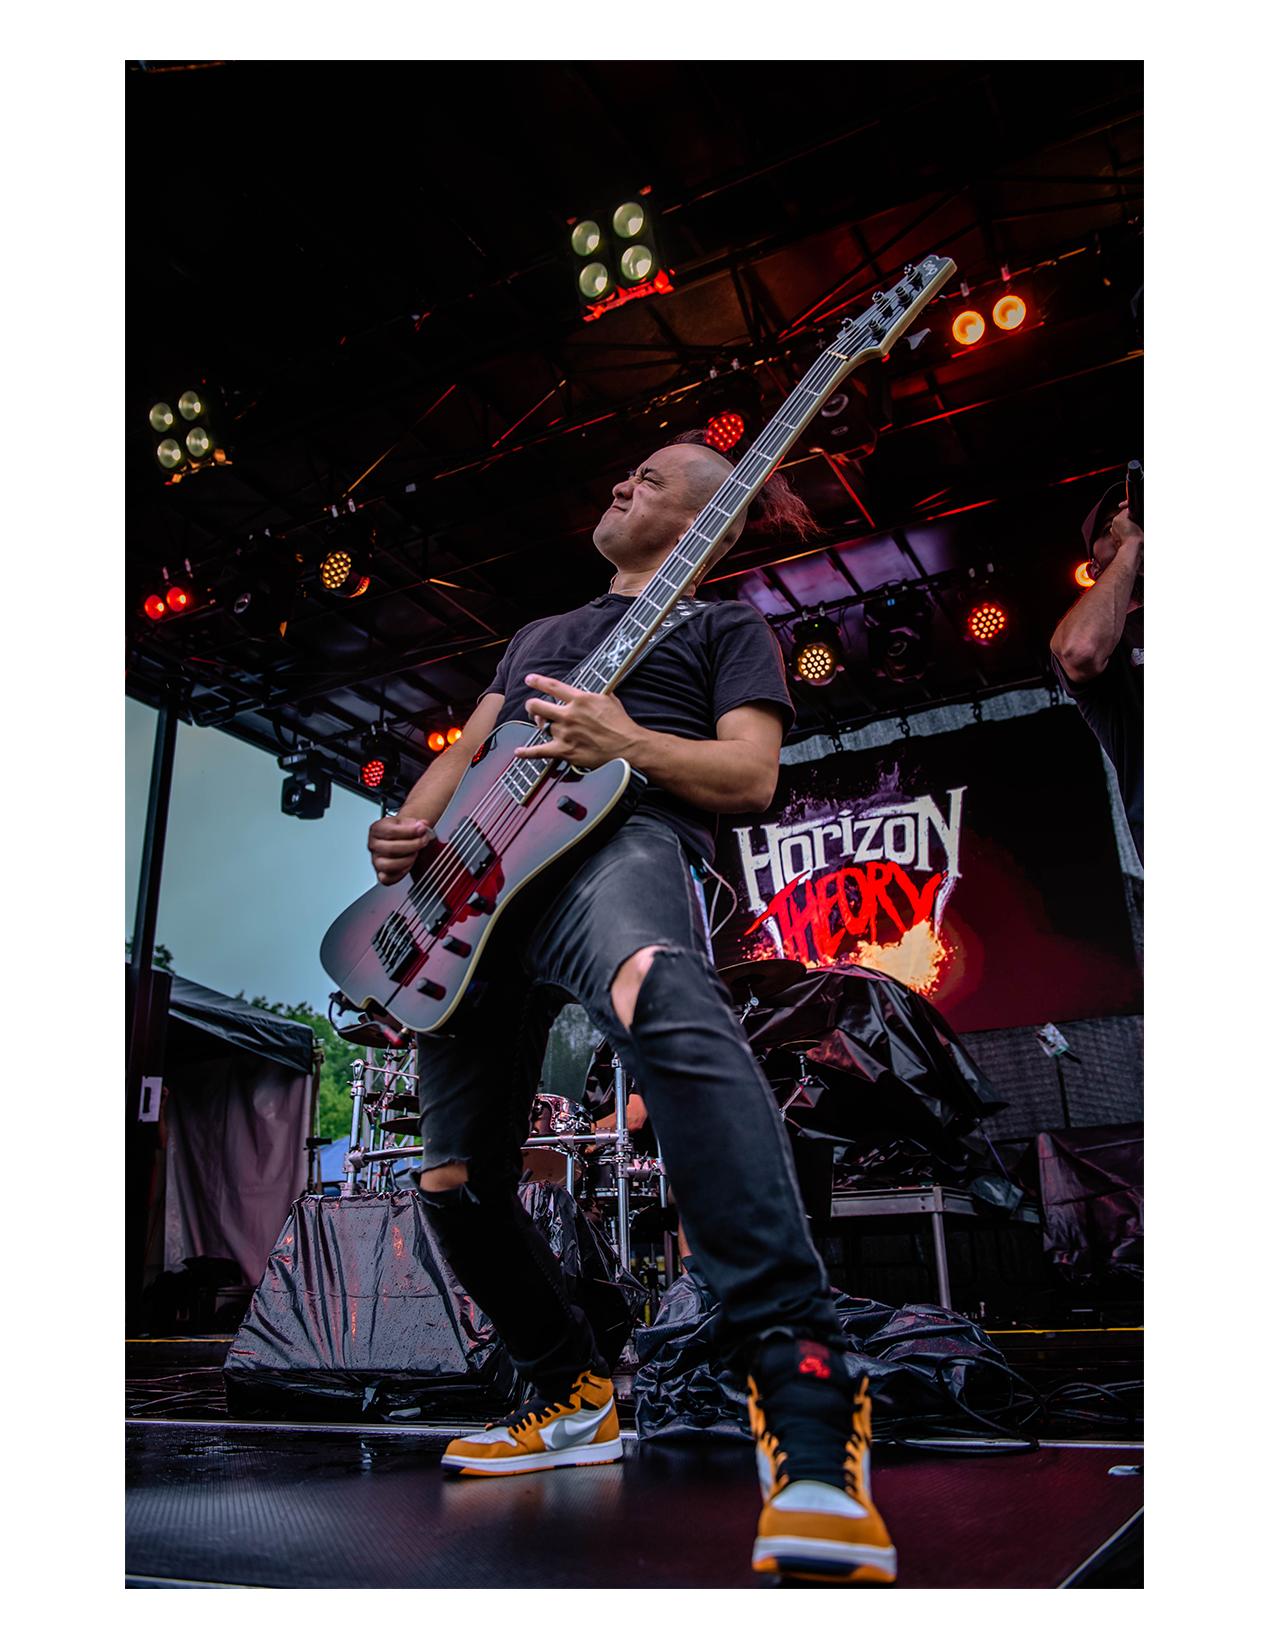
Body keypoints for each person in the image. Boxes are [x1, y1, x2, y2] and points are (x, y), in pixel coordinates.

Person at [366, 434, 896, 1585]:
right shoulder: (537, 634)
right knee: (451, 1181)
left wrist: (628, 742)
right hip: (473, 889)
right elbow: (469, 751)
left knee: (660, 992)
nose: (621, 482)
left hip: (619, 839)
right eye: (626, 473)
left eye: (652, 479)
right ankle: (568, 1394)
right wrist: (407, 830)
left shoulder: (724, 629)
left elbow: (750, 778)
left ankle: (808, 1403)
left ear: (709, 518)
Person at [1049, 481, 1144, 863]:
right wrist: (1130, 545)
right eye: (1111, 529)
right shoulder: (1112, 641)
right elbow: (1079, 649)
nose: (1128, 527)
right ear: (1093, 567)